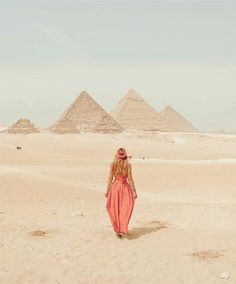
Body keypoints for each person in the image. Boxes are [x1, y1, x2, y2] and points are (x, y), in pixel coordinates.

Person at [105, 147, 137, 238]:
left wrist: (107, 190)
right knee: (125, 209)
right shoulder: (128, 165)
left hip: (115, 188)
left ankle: (118, 230)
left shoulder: (113, 164)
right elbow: (130, 179)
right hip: (125, 188)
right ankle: (122, 228)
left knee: (114, 209)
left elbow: (110, 178)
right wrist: (134, 191)